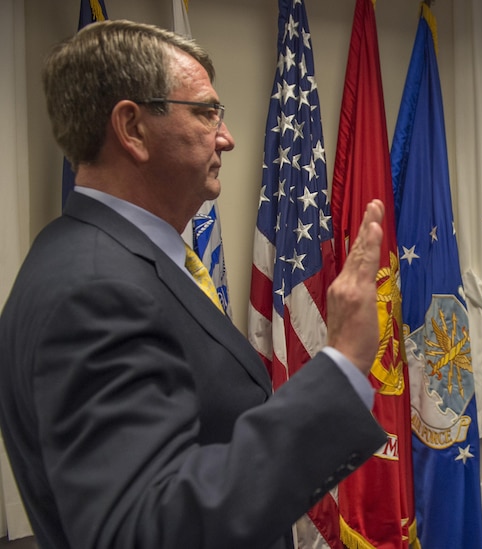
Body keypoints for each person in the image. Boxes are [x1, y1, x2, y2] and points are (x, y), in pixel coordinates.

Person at [0, 20, 388, 549]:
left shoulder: (98, 255)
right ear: (132, 129)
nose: (226, 137)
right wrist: (342, 362)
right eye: (206, 113)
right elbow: (148, 530)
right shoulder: (94, 290)